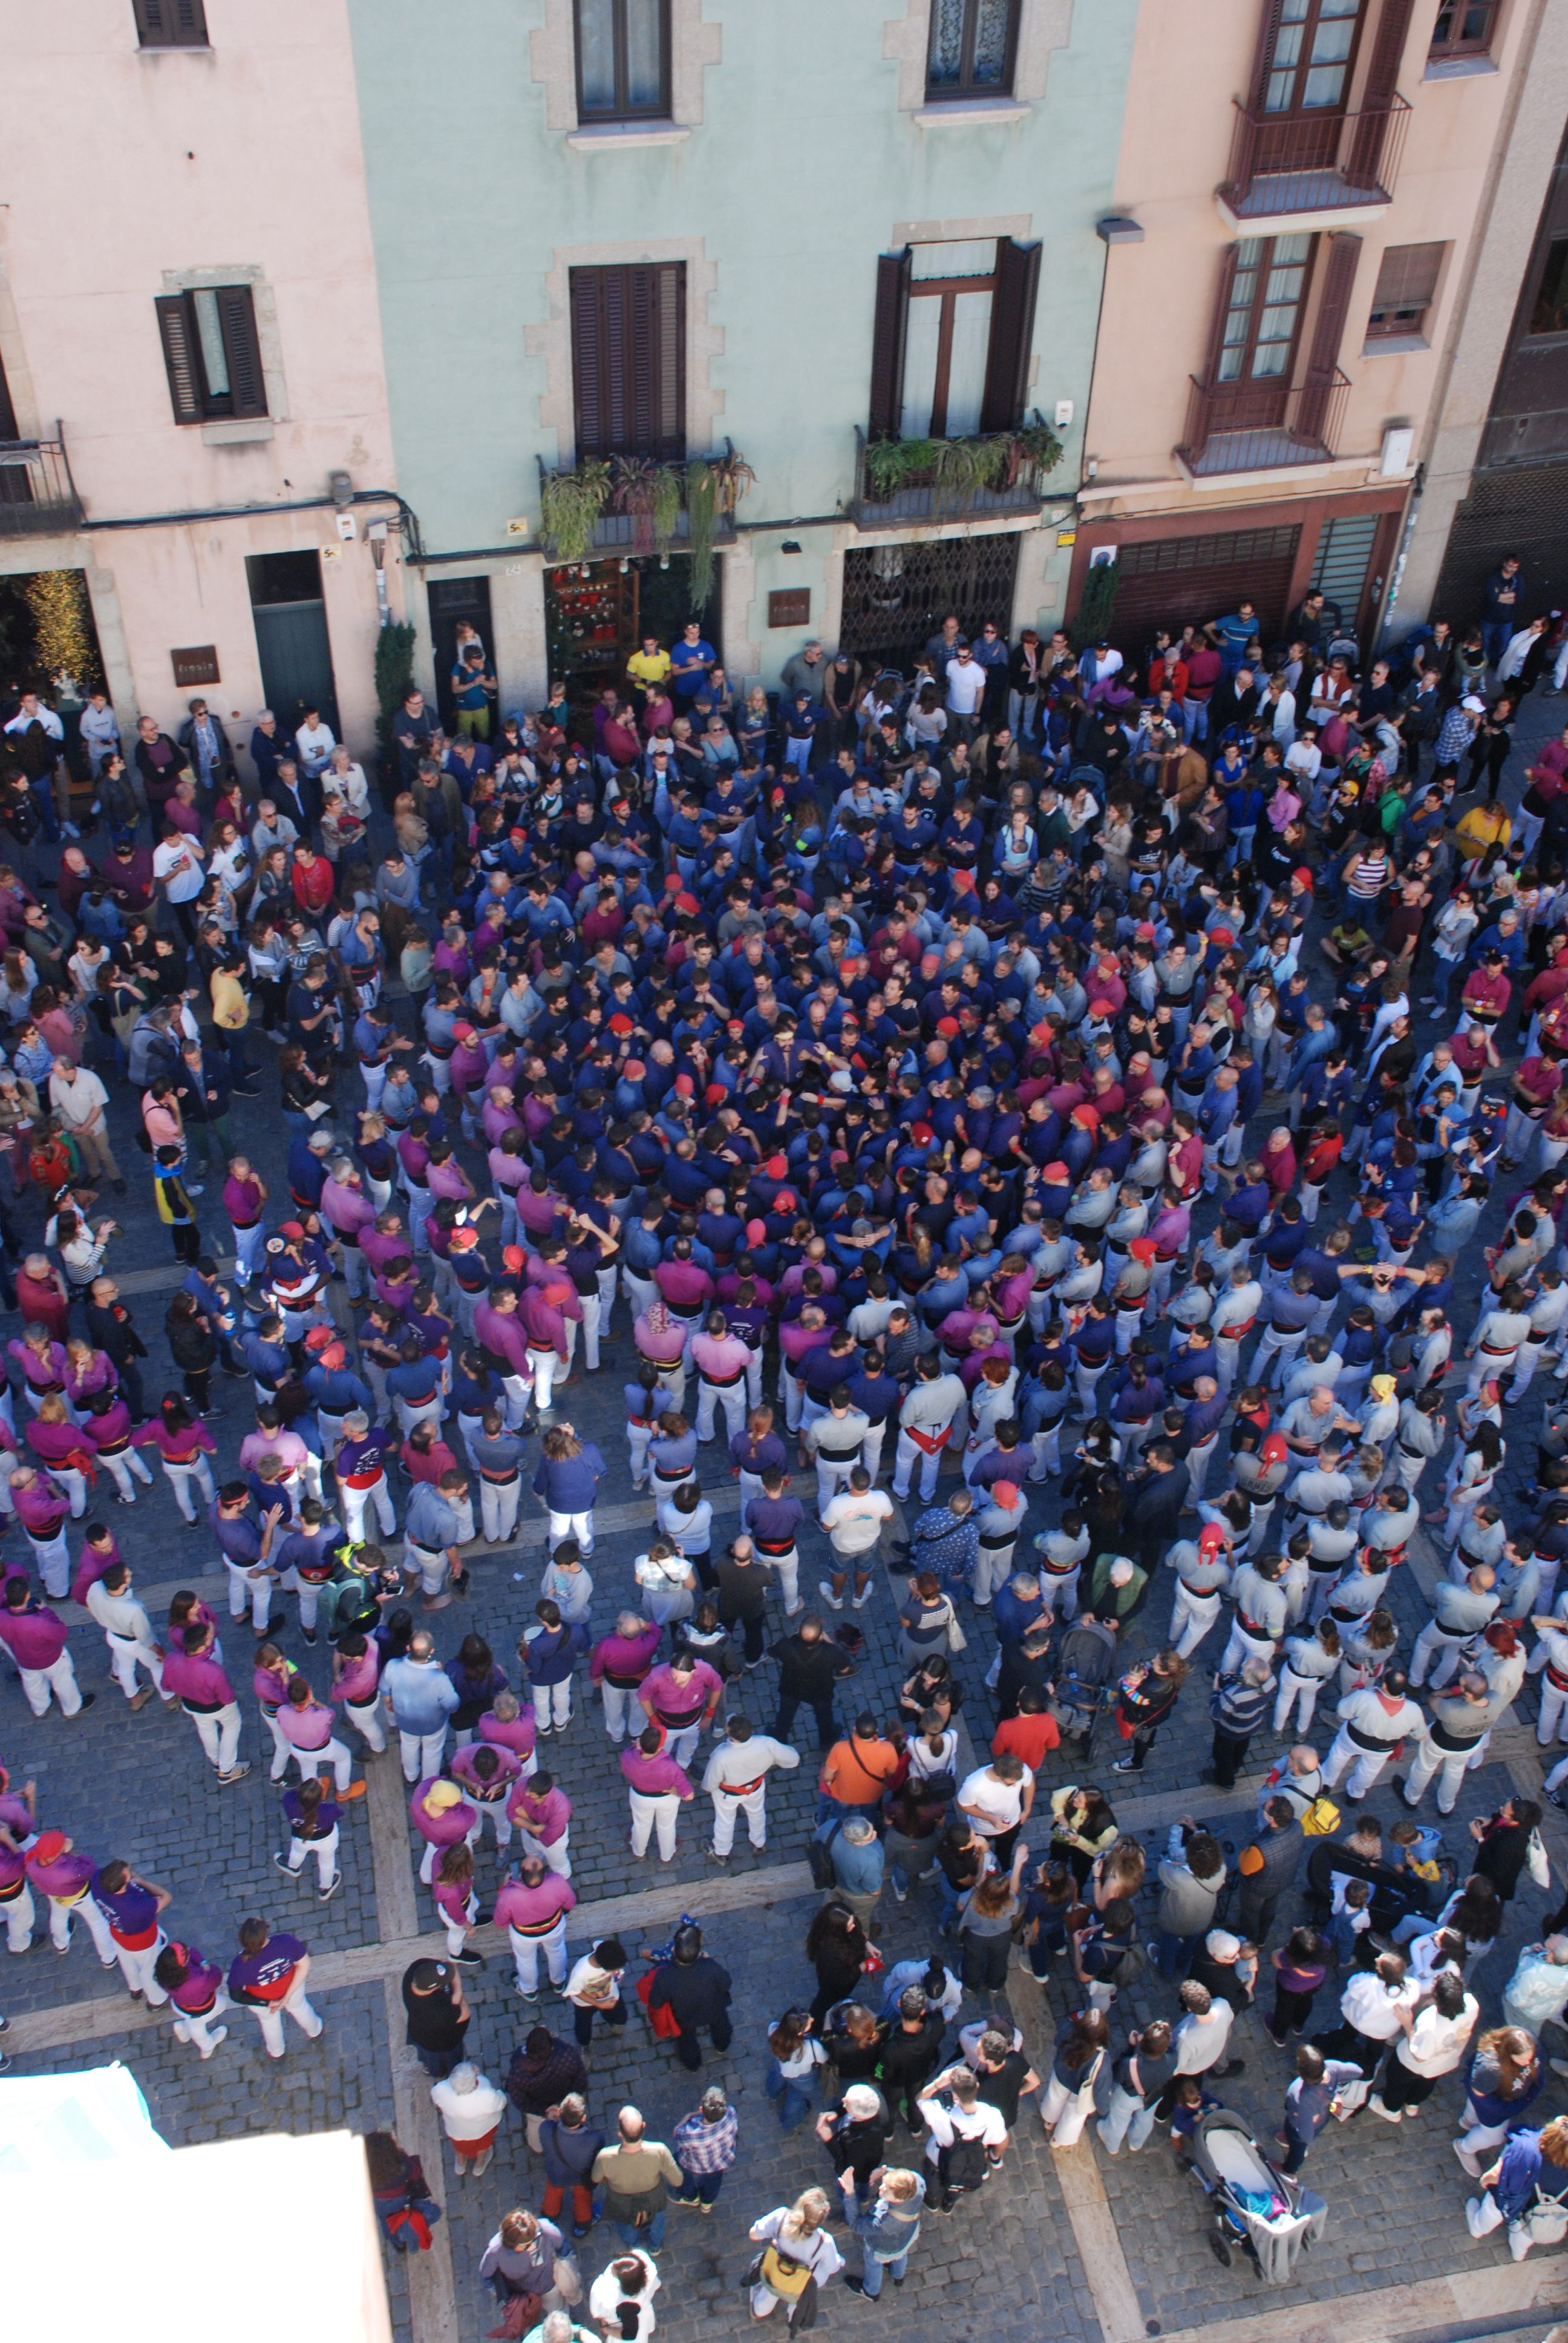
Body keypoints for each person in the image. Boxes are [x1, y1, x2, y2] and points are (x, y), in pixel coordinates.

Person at [702, 1713, 800, 1858]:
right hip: (755, 1787)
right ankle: (759, 1843)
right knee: (757, 1813)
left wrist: (710, 1788)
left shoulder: (721, 1756)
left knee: (725, 1821)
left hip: (728, 1794)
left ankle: (722, 1851)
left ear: (730, 1733)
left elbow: (710, 1784)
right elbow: (793, 1759)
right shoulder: (767, 1743)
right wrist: (772, 1762)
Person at [227, 1915, 322, 2060]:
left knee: (269, 2023)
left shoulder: (240, 1965)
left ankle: (277, 2051)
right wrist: (287, 1997)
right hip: (292, 1988)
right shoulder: (285, 1942)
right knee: (300, 2008)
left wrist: (267, 2003)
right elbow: (305, 1964)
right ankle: (315, 2030)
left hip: (261, 2000)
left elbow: (236, 1995)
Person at [590, 2106, 681, 2252]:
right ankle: (655, 2246)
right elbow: (678, 2181)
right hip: (653, 2198)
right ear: (643, 2126)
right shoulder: (660, 2151)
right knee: (657, 2223)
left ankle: (634, 2245)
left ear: (620, 2133)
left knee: (626, 2226)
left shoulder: (605, 2157)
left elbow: (595, 2179)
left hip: (621, 2201)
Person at [646, 1923, 734, 2071]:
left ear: (674, 1950)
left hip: (685, 2018)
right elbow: (726, 1984)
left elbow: (655, 2002)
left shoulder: (664, 1977)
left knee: (686, 2041)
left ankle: (693, 2065)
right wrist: (710, 1961)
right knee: (722, 2029)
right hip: (714, 2010)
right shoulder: (710, 1967)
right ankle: (722, 2046)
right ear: (699, 1953)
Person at [746, 2189, 844, 2321]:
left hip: (777, 2271)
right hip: (800, 2282)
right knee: (815, 2279)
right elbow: (832, 2268)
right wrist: (840, 2261)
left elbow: (754, 2234)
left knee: (770, 2290)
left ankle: (759, 2310)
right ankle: (794, 2314)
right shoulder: (825, 2241)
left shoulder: (781, 2217)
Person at [431, 2059, 508, 2180]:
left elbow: (436, 2099)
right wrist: (480, 2076)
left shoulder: (441, 2089)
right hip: (483, 2131)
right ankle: (479, 2166)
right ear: (475, 2083)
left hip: (457, 2131)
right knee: (483, 2148)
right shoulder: (486, 2094)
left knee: (459, 2148)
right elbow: (501, 2102)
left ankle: (460, 2165)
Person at [403, 1955, 471, 2079]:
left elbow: (446, 1965)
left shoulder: (415, 1970)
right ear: (433, 1988)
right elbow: (465, 2012)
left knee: (427, 2056)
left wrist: (449, 1970)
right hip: (441, 2042)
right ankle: (442, 2073)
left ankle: (431, 2068)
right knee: (442, 2061)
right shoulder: (436, 2013)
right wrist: (458, 1990)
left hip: (419, 2032)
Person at [587, 2253, 659, 2342]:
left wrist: (606, 2329)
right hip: (644, 2314)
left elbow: (630, 2334)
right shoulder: (649, 2271)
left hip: (619, 2328)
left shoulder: (604, 2294)